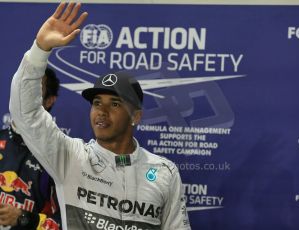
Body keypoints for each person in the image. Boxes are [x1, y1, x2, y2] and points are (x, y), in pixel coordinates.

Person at [9, 2, 191, 230]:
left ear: (136, 116)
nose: (101, 111)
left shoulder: (165, 172)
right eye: (97, 103)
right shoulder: (71, 158)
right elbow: (26, 114)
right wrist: (39, 50)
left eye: (114, 103)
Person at [0, 68, 61, 229]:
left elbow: (67, 222)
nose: (23, 94)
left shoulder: (59, 155)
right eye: (22, 85)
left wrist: (25, 219)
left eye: (35, 88)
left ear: (49, 101)